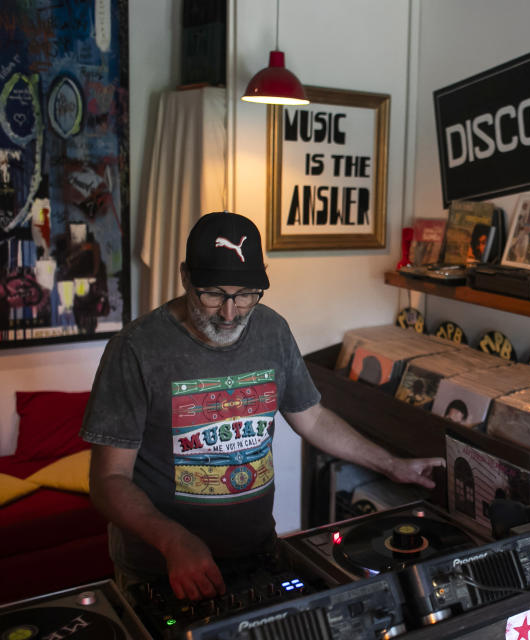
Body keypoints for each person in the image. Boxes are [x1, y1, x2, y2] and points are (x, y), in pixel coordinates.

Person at [80, 211, 444, 602]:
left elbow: (314, 419)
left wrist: (392, 465)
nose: (229, 313)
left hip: (257, 553)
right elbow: (108, 480)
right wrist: (173, 542)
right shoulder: (136, 349)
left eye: (246, 295)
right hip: (162, 567)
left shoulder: (272, 331)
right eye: (213, 294)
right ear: (185, 277)